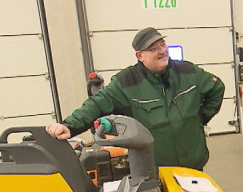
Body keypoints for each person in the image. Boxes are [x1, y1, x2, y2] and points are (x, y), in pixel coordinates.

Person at [46, 27, 224, 171]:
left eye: (163, 45)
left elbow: (217, 87)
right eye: (154, 49)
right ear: (140, 56)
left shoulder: (188, 72)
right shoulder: (126, 82)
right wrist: (69, 126)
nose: (162, 51)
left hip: (194, 165)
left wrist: (199, 119)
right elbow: (96, 104)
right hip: (155, 170)